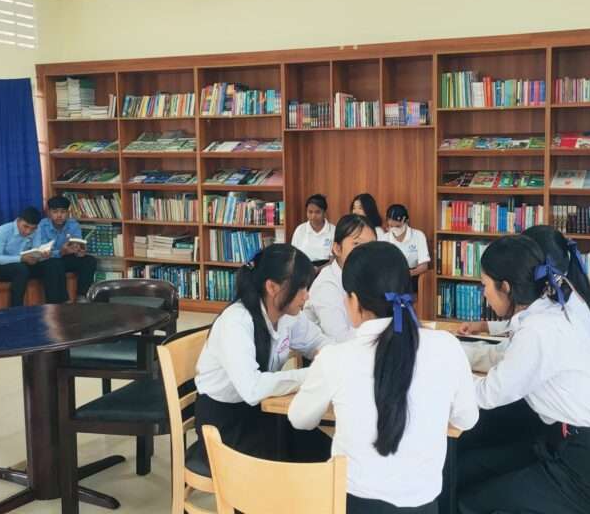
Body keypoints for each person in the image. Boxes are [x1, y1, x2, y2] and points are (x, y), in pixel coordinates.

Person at [289, 242, 479, 513]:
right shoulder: (447, 346)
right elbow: (467, 419)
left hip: (352, 504)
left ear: (353, 301)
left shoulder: (335, 357)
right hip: (423, 505)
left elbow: (300, 419)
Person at [457, 236, 590, 514]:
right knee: (473, 470)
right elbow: (511, 364)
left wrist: (439, 377)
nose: (484, 294)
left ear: (506, 287)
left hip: (585, 472)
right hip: (582, 446)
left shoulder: (537, 331)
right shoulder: (550, 309)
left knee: (472, 502)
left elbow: (486, 395)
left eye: (484, 285)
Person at [193, 243, 332, 461]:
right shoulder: (236, 322)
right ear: (272, 287)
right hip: (225, 425)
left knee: (331, 454)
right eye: (301, 288)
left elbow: (319, 342)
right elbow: (252, 389)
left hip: (263, 412)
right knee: (303, 471)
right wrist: (311, 374)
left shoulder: (288, 314)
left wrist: (331, 357)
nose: (306, 296)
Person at [457, 225, 590, 359]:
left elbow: (509, 361)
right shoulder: (564, 291)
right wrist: (484, 326)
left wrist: (457, 353)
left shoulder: (550, 310)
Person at [304, 214, 377, 342]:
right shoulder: (326, 285)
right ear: (337, 249)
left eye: (372, 246)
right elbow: (340, 339)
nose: (366, 253)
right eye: (357, 244)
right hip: (328, 356)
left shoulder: (367, 277)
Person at [0, 206, 67, 307]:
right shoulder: (3, 231)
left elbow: (35, 250)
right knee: (21, 269)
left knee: (54, 263)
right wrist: (21, 258)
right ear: (18, 221)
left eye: (32, 228)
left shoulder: (36, 230)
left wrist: (43, 256)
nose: (28, 231)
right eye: (25, 226)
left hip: (23, 264)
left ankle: (55, 306)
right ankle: (16, 310)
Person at [35, 195, 97, 303]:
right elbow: (41, 252)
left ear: (68, 213)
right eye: (55, 212)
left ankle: (82, 296)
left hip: (66, 257)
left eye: (63, 212)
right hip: (47, 260)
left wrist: (79, 252)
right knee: (54, 264)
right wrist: (60, 252)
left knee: (89, 260)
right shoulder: (42, 226)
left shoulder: (73, 225)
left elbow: (78, 243)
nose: (59, 215)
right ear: (49, 213)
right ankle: (60, 301)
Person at [381, 204, 431, 294]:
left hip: (411, 276)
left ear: (406, 221)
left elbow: (424, 266)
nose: (394, 229)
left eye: (397, 226)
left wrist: (408, 273)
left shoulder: (418, 236)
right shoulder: (384, 238)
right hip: (390, 278)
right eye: (391, 226)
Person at [291, 194, 335, 267]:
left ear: (324, 213)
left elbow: (334, 260)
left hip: (327, 269)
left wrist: (319, 269)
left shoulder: (333, 230)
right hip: (304, 269)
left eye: (317, 212)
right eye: (310, 212)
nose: (313, 216)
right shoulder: (300, 230)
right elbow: (294, 256)